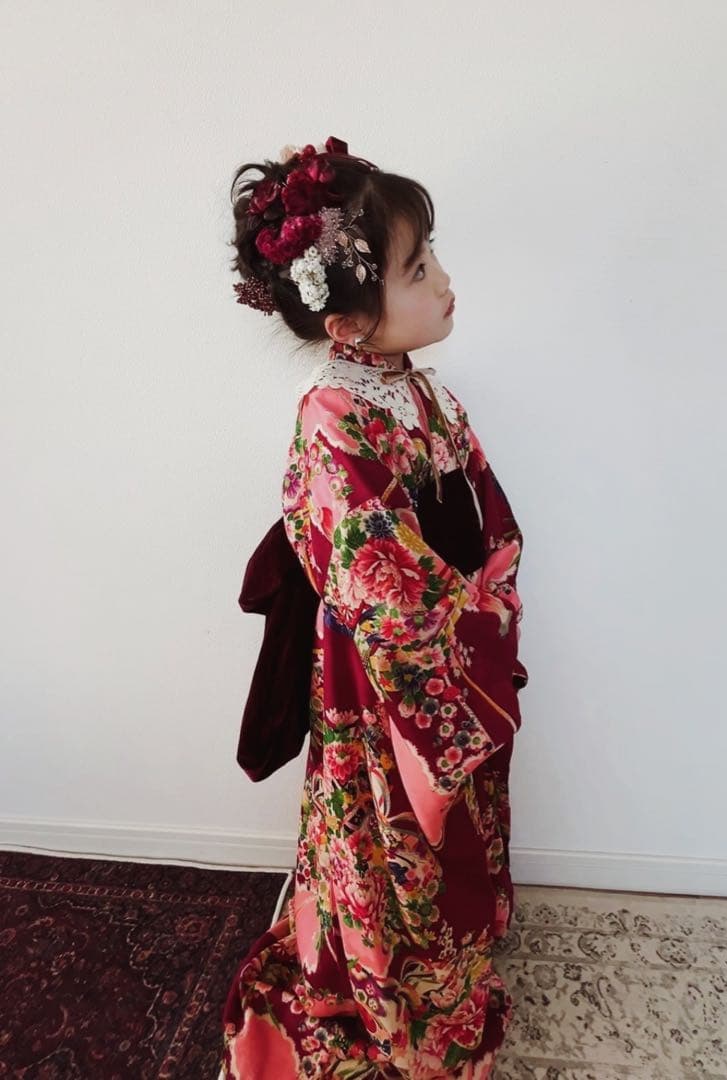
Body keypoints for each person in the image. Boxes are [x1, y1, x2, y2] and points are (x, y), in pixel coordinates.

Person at [221, 136, 529, 1080]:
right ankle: (386, 991)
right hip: (381, 679)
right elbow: (368, 574)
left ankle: (449, 965)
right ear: (349, 322)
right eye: (418, 269)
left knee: (459, 831)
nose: (445, 283)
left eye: (432, 259)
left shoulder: (425, 394)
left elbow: (488, 511)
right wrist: (462, 625)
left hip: (453, 651)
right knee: (388, 838)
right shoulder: (331, 416)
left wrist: (489, 599)